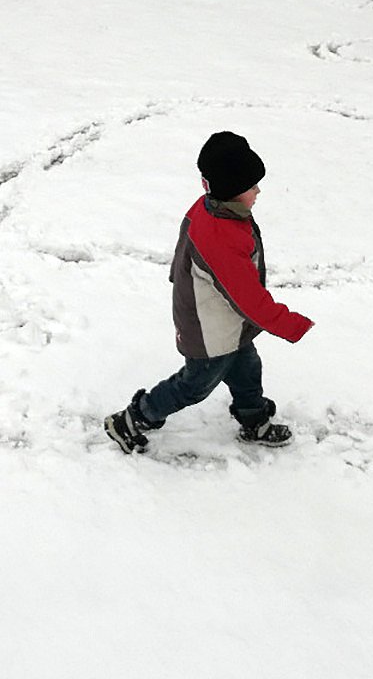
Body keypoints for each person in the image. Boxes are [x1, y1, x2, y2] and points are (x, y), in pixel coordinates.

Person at [104, 132, 314, 454]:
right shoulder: (222, 237)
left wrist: (180, 280)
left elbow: (184, 249)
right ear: (231, 190)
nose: (258, 191)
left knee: (247, 369)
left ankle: (253, 417)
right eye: (251, 186)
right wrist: (293, 325)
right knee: (194, 386)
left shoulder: (211, 208)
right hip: (209, 333)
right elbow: (251, 302)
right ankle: (134, 419)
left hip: (225, 323)